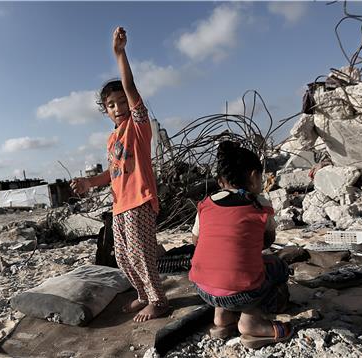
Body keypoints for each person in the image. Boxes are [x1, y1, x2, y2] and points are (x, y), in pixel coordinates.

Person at [71, 26, 168, 322]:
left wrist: (119, 54)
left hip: (139, 200)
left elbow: (131, 88)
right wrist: (90, 182)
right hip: (119, 206)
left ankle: (159, 300)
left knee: (141, 255)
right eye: (111, 105)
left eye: (122, 101)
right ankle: (142, 295)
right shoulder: (113, 139)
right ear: (105, 111)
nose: (118, 108)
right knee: (124, 258)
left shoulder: (138, 128)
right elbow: (112, 173)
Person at [189, 141, 292, 349]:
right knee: (277, 267)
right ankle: (251, 321)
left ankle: (222, 317)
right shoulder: (260, 204)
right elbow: (268, 240)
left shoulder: (206, 204)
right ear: (254, 176)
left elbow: (196, 241)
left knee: (221, 269)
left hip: (203, 289)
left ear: (220, 181)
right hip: (243, 292)